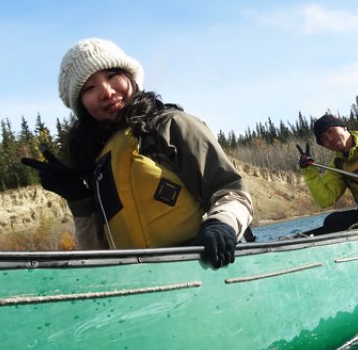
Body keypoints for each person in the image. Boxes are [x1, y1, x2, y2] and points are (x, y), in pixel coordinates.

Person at [22, 37, 253, 267]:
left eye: (112, 75)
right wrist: (79, 199)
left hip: (205, 266)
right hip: (138, 283)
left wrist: (222, 224)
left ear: (130, 76)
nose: (107, 91)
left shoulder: (173, 126)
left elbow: (233, 193)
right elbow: (96, 256)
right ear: (81, 104)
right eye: (89, 88)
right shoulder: (99, 164)